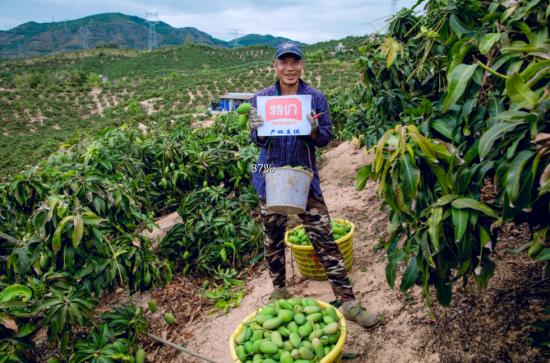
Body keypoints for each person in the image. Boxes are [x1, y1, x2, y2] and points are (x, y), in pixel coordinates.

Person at [247, 41, 378, 328]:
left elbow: (326, 139)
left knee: (324, 238)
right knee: (272, 237)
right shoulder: (262, 99)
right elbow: (258, 141)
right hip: (269, 172)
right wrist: (256, 127)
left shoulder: (315, 98)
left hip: (304, 176)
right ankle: (279, 289)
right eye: (284, 62)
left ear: (302, 65)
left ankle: (348, 302)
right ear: (276, 65)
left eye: (295, 62)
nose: (290, 68)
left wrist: (316, 128)